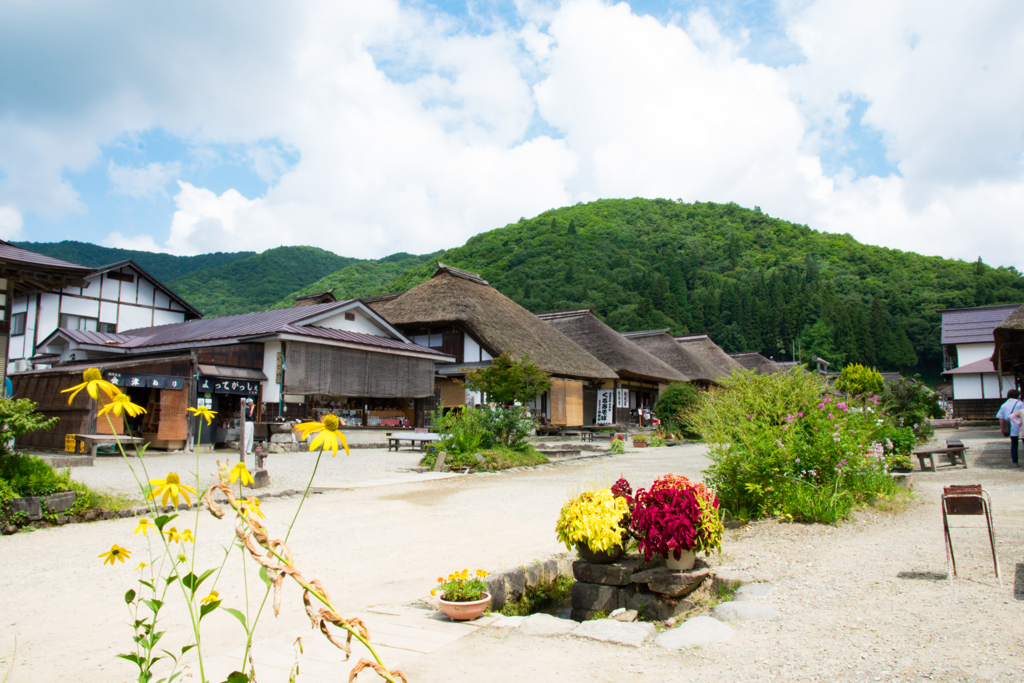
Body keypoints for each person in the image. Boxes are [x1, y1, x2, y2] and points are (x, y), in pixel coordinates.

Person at [996, 389, 1023, 466]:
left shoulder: (1004, 405)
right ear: (1018, 395)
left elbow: (1001, 418)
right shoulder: (1020, 403)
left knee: (1014, 445)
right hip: (1021, 425)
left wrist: (1002, 428)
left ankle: (1015, 462)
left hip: (1011, 427)